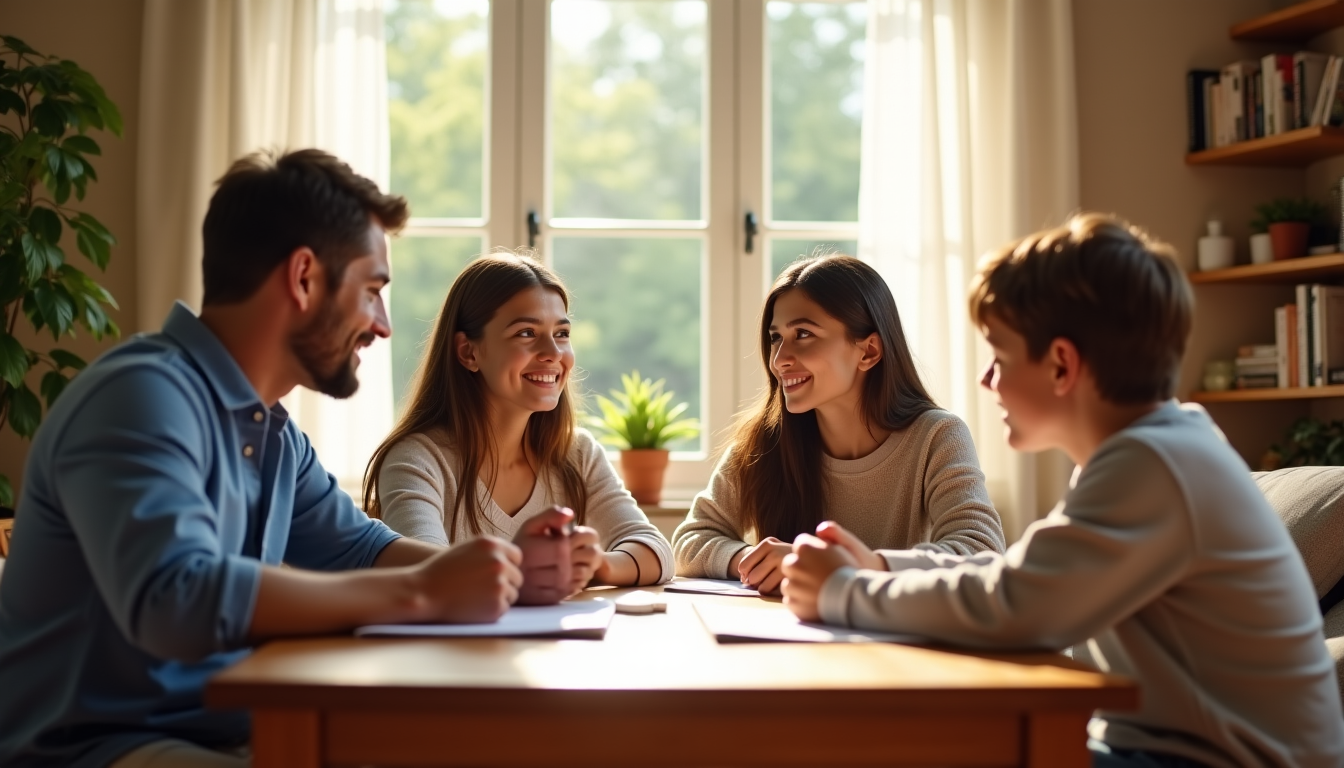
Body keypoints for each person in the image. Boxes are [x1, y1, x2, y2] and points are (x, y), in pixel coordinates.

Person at [0, 149, 545, 768]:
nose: (384, 326)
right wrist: (423, 592)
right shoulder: (141, 395)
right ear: (304, 277)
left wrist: (509, 573)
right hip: (94, 750)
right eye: (371, 291)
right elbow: (176, 597)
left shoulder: (274, 434)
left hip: (227, 731)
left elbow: (362, 551)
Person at [782, 214, 1344, 767]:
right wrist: (881, 568)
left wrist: (844, 593)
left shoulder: (1153, 464)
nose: (987, 380)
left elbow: (1021, 609)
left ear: (1060, 365)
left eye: (999, 357)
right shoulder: (1152, 450)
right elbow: (1024, 577)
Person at [672, 254, 1005, 593]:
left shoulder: (937, 437)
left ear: (869, 351)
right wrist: (755, 560)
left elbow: (982, 552)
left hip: (892, 641)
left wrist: (848, 567)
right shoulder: (766, 439)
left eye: (803, 333)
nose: (779, 360)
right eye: (776, 337)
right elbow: (689, 541)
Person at [364, 252, 673, 593]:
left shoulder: (577, 452)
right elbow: (430, 574)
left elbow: (656, 552)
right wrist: (530, 568)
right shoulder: (418, 459)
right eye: (526, 333)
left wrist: (596, 564)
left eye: (562, 333)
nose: (553, 352)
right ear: (468, 352)